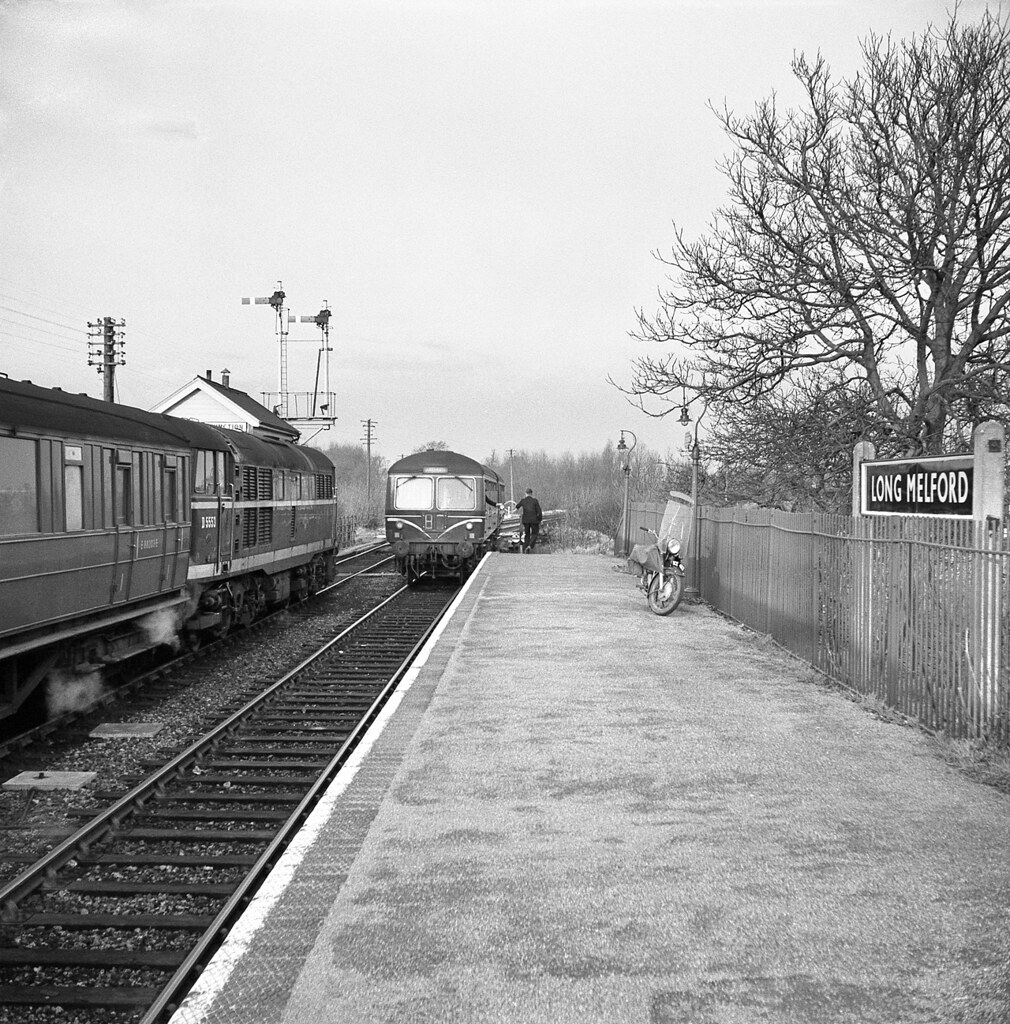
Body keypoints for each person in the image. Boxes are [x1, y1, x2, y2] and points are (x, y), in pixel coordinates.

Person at [515, 487, 543, 553]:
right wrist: (540, 519)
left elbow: (517, 506)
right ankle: (530, 546)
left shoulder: (523, 500)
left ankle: (526, 548)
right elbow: (539, 511)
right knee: (534, 533)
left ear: (526, 494)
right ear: (531, 494)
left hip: (526, 521)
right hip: (534, 520)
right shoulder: (535, 501)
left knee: (527, 534)